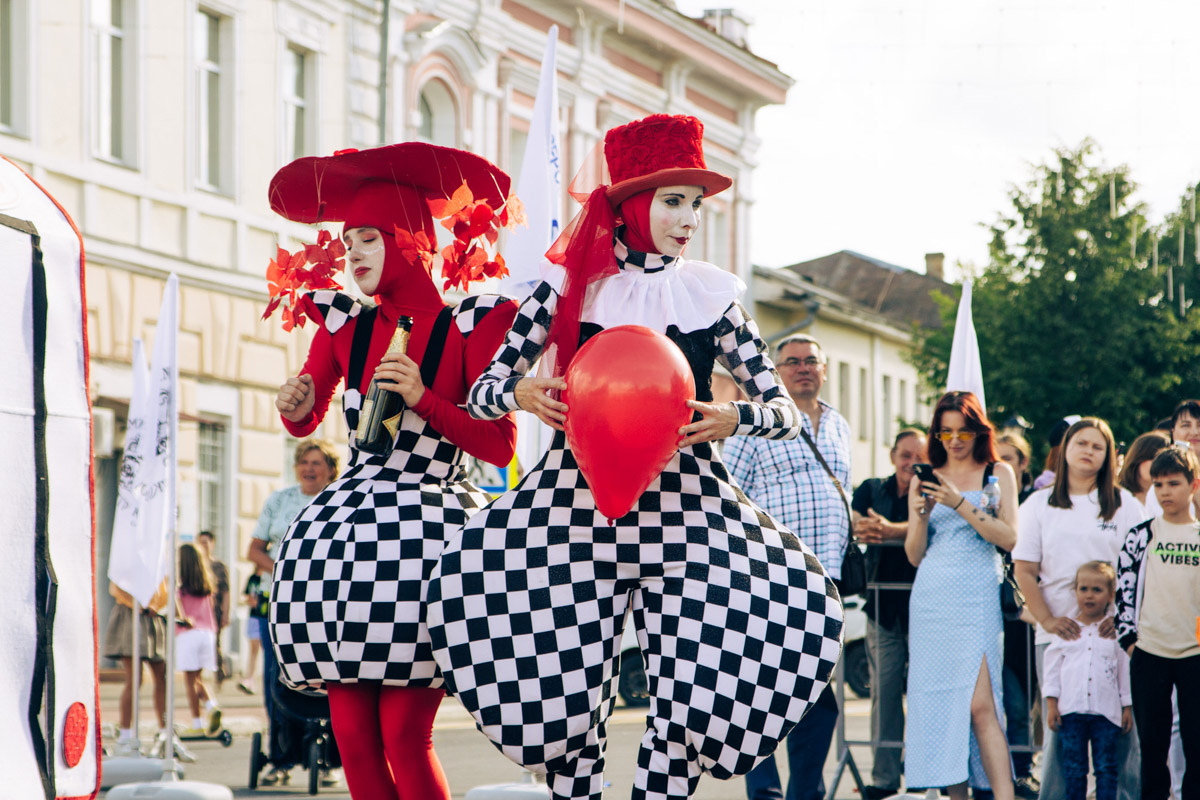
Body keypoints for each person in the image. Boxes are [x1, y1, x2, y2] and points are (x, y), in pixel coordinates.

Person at [426, 113, 844, 800]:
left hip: (689, 513)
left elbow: (783, 415)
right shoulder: (566, 288)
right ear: (630, 204)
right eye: (673, 200)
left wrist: (732, 416)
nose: (688, 218)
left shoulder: (714, 300)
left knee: (686, 702)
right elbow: (481, 394)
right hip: (574, 509)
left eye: (696, 203)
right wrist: (524, 392)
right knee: (566, 699)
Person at [266, 142, 520, 800]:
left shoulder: (474, 323)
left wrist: (424, 399)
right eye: (349, 245)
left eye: (370, 240)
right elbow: (308, 406)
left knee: (406, 733)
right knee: (350, 735)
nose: (355, 258)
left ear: (413, 241)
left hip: (428, 536)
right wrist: (294, 407)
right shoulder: (342, 323)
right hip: (349, 535)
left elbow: (499, 445)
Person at [720, 333, 850, 800]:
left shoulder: (839, 425)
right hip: (773, 578)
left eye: (811, 360)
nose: (802, 368)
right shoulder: (755, 424)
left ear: (824, 368)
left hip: (826, 584)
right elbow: (727, 495)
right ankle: (767, 794)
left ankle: (804, 794)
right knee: (767, 694)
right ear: (775, 371)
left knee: (815, 697)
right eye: (791, 361)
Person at [1012, 417, 1146, 800]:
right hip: (1058, 638)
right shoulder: (1038, 504)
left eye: (1098, 446)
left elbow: (1138, 570)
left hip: (1115, 639)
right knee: (1059, 735)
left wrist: (1121, 619)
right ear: (1065, 449)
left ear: (1109, 457)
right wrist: (1049, 620)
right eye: (1081, 443)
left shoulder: (1124, 506)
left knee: (1121, 731)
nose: (1088, 451)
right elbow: (1024, 570)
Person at [904, 390, 1018, 800]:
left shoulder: (997, 472)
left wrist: (957, 503)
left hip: (977, 592)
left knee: (980, 706)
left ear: (977, 431)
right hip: (933, 595)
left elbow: (1008, 538)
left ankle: (1004, 795)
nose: (954, 440)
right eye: (945, 431)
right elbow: (915, 556)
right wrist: (920, 516)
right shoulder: (926, 474)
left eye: (963, 431)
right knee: (945, 708)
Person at [248, 438, 339, 785]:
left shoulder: (341, 499)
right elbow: (254, 549)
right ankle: (282, 758)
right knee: (278, 679)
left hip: (327, 606)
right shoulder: (280, 500)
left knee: (331, 680)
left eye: (317, 463)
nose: (309, 468)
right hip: (280, 603)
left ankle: (330, 759)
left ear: (331, 469)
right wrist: (281, 569)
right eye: (304, 462)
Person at [1116, 445, 1200, 800]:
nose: (1165, 492)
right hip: (1150, 652)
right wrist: (1130, 641)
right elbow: (1123, 589)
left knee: (1197, 747)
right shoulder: (1141, 535)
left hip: (1194, 654)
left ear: (1193, 485)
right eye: (1159, 484)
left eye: (1174, 483)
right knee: (1152, 748)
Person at [850, 428, 926, 800]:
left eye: (919, 456)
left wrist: (889, 531)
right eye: (906, 455)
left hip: (925, 609)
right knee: (884, 695)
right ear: (894, 455)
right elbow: (854, 523)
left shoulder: (933, 492)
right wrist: (864, 527)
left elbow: (928, 534)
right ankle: (883, 780)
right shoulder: (870, 488)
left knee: (925, 695)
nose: (912, 463)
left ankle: (924, 775)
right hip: (881, 607)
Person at [1043, 561, 1132, 800]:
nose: (1089, 595)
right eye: (1083, 589)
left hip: (1106, 713)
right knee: (1074, 769)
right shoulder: (1067, 630)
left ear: (1111, 594)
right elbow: (1052, 669)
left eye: (1097, 590)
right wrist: (1052, 704)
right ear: (1075, 591)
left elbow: (1124, 670)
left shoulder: (1114, 633)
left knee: (1106, 768)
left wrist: (1127, 706)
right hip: (1071, 712)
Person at [991, 430, 1040, 798]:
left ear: (1023, 464)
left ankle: (1022, 769)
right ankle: (996, 772)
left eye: (1009, 457)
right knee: (998, 696)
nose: (1001, 464)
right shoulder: (991, 498)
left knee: (1023, 700)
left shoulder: (1035, 503)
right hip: (994, 613)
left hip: (1027, 617)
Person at [101, 581, 169, 753]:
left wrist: (157, 605)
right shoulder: (126, 556)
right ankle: (125, 734)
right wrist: (138, 603)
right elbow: (117, 584)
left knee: (162, 675)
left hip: (152, 615)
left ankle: (165, 730)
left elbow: (166, 585)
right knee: (135, 679)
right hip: (130, 615)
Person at [176, 542, 221, 736]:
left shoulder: (180, 584)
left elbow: (178, 609)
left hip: (188, 633)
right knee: (198, 678)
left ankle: (197, 722)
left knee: (190, 681)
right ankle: (211, 705)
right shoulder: (206, 583)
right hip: (207, 634)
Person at [195, 530, 230, 685]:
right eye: (201, 542)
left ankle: (219, 671)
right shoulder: (195, 566)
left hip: (214, 612)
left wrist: (226, 613)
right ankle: (201, 674)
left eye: (206, 542)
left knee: (215, 642)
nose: (204, 545)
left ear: (212, 544)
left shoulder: (219, 566)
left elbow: (226, 592)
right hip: (198, 613)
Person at [1117, 431, 1172, 509]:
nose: (1161, 466)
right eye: (1155, 458)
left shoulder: (1168, 499)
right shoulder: (1115, 497)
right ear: (1139, 458)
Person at [238, 568, 268, 695]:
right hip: (254, 617)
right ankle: (250, 679)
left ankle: (261, 680)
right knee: (253, 651)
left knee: (267, 651)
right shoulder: (253, 578)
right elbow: (247, 596)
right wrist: (252, 601)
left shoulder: (269, 577)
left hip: (266, 617)